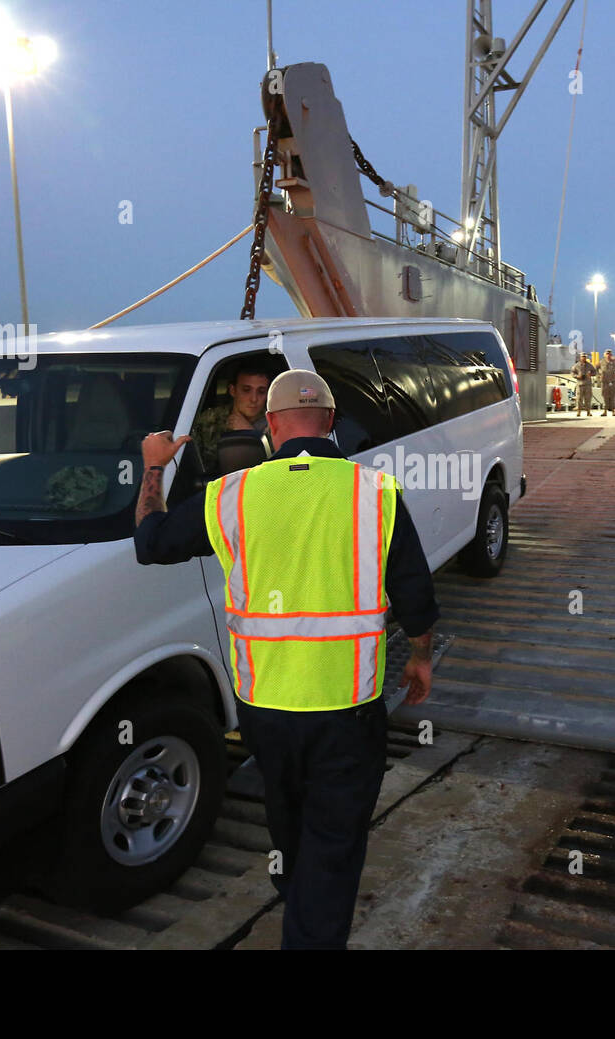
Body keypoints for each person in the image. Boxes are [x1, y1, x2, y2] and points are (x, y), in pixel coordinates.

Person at [133, 369, 439, 949]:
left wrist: (154, 465)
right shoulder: (377, 493)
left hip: (265, 710)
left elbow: (149, 544)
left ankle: (297, 890)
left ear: (272, 427)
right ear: (330, 424)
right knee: (336, 841)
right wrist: (420, 658)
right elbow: (416, 597)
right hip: (347, 708)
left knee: (289, 819)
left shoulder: (231, 495)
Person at [191, 363, 271, 472]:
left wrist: (250, 434)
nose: (254, 399)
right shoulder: (208, 420)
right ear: (233, 390)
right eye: (246, 390)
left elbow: (275, 468)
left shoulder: (274, 424)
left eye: (261, 392)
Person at [571, 352, 598, 417]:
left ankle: (588, 412)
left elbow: (595, 372)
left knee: (588, 399)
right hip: (580, 384)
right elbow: (572, 373)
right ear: (580, 357)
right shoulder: (576, 365)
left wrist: (590, 374)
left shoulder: (590, 365)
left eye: (585, 357)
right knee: (579, 398)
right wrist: (578, 376)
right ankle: (579, 412)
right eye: (582, 356)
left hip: (588, 384)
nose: (584, 358)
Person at [599, 349, 615, 417]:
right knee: (605, 396)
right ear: (604, 355)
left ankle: (613, 411)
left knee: (612, 396)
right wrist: (599, 375)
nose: (608, 355)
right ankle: (605, 411)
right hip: (604, 382)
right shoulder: (601, 362)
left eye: (609, 354)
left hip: (612, 381)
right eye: (607, 354)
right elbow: (596, 369)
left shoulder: (614, 362)